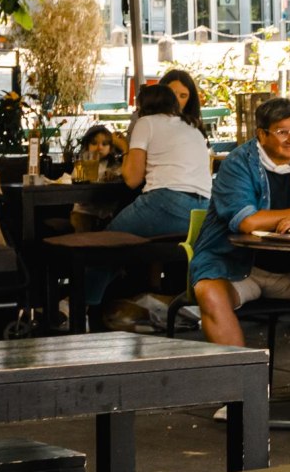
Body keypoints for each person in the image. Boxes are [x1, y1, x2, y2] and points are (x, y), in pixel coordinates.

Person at [188, 98, 290, 347]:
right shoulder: (238, 163)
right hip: (239, 268)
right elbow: (247, 221)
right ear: (261, 134)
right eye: (282, 132)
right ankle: (240, 382)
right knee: (210, 294)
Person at [88, 85, 211, 308]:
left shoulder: (147, 123)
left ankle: (77, 307)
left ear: (143, 107)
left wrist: (124, 147)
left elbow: (132, 178)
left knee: (106, 245)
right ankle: (113, 301)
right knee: (121, 246)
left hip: (166, 202)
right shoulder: (192, 127)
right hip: (201, 213)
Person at [70, 125, 124, 232]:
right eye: (94, 143)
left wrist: (114, 175)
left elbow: (122, 179)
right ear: (87, 146)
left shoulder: (115, 166)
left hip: (107, 215)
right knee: (83, 236)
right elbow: (75, 181)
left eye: (104, 144)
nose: (99, 147)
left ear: (111, 147)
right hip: (83, 212)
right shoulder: (82, 165)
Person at [159, 69, 207, 137]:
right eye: (172, 94)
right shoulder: (147, 123)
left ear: (190, 99)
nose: (176, 100)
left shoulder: (192, 127)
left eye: (183, 96)